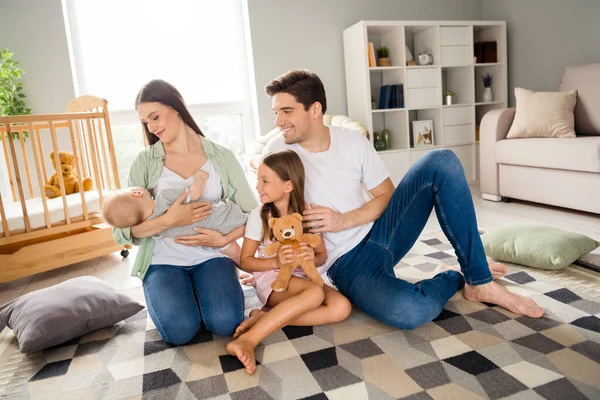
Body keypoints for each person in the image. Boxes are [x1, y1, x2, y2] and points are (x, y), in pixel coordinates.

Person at [262, 69, 544, 331]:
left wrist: (343, 220)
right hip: (345, 263)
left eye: (286, 111)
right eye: (276, 112)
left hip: (382, 232)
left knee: (441, 161)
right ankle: (457, 276)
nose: (278, 122)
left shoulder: (352, 141)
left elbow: (386, 195)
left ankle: (480, 280)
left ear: (315, 109)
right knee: (409, 310)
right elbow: (271, 220)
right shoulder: (276, 152)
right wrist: (263, 264)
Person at [112, 79, 257, 345]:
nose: (152, 127)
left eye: (155, 117)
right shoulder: (145, 162)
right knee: (179, 331)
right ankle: (185, 297)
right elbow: (121, 231)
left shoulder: (221, 157)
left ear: (176, 107)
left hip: (212, 256)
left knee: (225, 323)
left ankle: (201, 294)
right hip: (162, 261)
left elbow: (254, 214)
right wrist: (168, 220)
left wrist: (224, 240)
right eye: (146, 122)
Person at [226, 150, 351, 374]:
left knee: (342, 307)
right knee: (315, 294)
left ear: (288, 185)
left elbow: (322, 255)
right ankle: (249, 340)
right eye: (258, 180)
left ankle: (266, 318)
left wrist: (311, 256)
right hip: (274, 281)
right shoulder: (260, 216)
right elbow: (246, 261)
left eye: (265, 181)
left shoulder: (307, 214)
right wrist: (275, 260)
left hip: (304, 278)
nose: (258, 186)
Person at [102, 168, 248, 262]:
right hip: (220, 216)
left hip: (208, 238)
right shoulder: (164, 197)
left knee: (236, 254)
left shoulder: (153, 230)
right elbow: (194, 194)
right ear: (136, 193)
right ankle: (262, 270)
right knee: (256, 226)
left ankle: (257, 274)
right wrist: (200, 178)